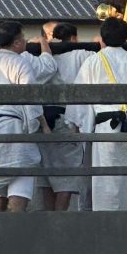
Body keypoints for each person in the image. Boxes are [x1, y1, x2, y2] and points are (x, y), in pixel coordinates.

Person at [68, 18, 127, 211]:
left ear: (102, 38)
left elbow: (79, 100)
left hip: (105, 128)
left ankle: (107, 224)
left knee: (106, 179)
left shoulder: (93, 62)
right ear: (125, 38)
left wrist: (78, 126)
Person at [0, 20, 55, 212]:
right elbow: (31, 99)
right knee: (22, 168)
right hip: (11, 125)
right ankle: (14, 227)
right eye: (23, 38)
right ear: (17, 43)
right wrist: (41, 125)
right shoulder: (21, 62)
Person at [38, 20, 92, 211]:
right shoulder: (82, 54)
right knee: (67, 176)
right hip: (65, 118)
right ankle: (59, 220)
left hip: (43, 118)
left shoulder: (42, 57)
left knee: (46, 175)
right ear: (74, 38)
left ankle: (48, 222)